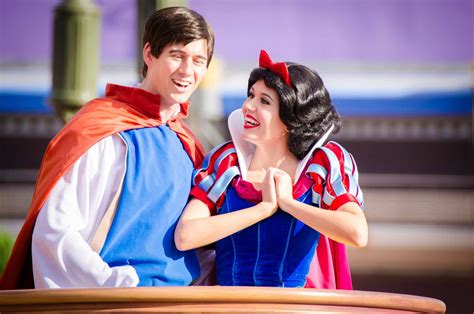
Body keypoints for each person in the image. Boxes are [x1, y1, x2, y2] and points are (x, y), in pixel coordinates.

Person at [0, 6, 214, 289]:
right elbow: (56, 232)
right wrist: (116, 285)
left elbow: (199, 244)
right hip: (116, 301)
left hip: (183, 304)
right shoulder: (100, 131)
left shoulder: (189, 145)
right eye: (177, 55)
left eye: (198, 60)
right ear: (149, 54)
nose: (188, 70)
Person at [175, 50, 368, 288]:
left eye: (264, 101)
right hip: (226, 307)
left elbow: (357, 233)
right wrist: (263, 209)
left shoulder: (322, 164)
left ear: (291, 117)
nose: (248, 106)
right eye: (251, 96)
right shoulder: (227, 162)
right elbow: (186, 236)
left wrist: (288, 203)